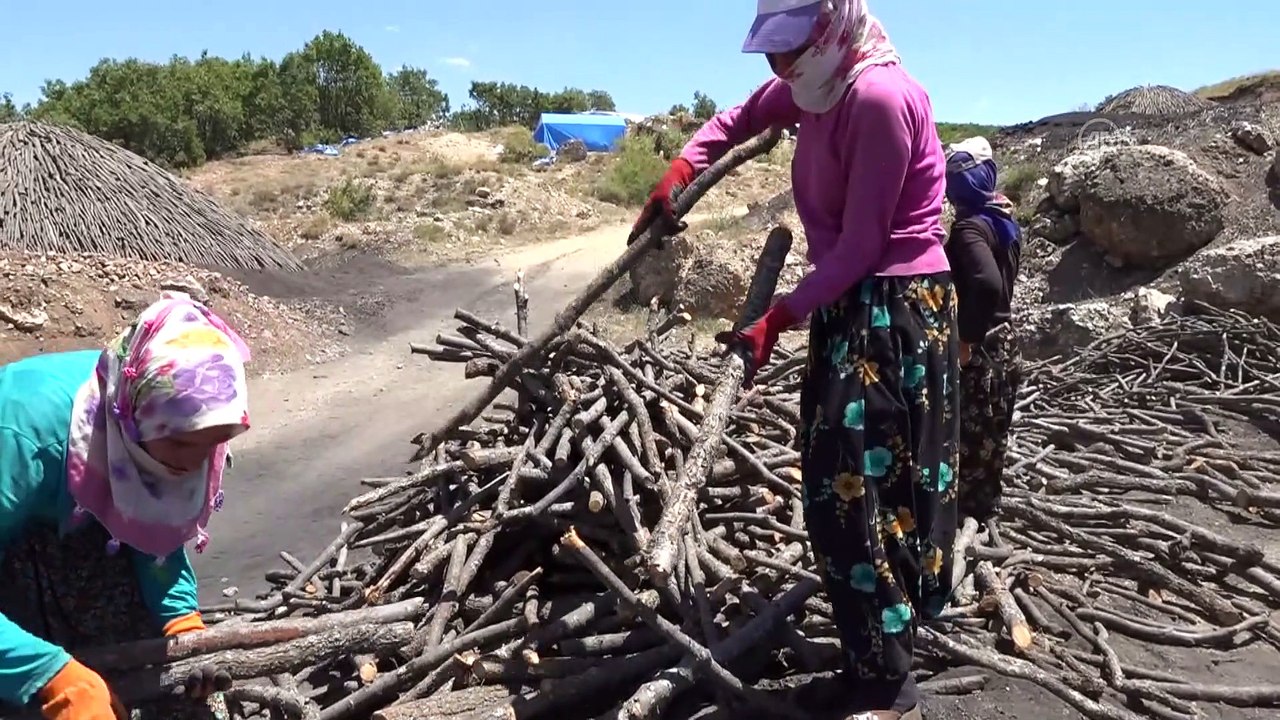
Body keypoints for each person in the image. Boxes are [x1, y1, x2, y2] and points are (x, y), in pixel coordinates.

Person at [634, 2, 959, 718]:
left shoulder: (875, 96)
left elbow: (864, 244)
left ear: (832, 27)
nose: (781, 67)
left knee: (864, 488)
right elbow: (743, 115)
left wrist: (779, 316)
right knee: (837, 487)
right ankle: (871, 658)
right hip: (850, 302)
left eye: (790, 51)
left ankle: (886, 683)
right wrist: (682, 167)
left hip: (893, 309)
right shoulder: (819, 79)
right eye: (772, 53)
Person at [0, 292, 250, 720]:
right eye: (182, 444)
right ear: (135, 419)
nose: (192, 463)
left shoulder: (150, 422)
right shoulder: (25, 438)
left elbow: (154, 529)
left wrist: (180, 622)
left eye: (210, 444)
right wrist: (49, 675)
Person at [943, 137, 1023, 523]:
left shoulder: (969, 229)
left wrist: (967, 339)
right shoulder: (1003, 218)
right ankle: (986, 514)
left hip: (983, 349)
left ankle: (963, 524)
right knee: (993, 436)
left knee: (968, 440)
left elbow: (988, 285)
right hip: (1006, 343)